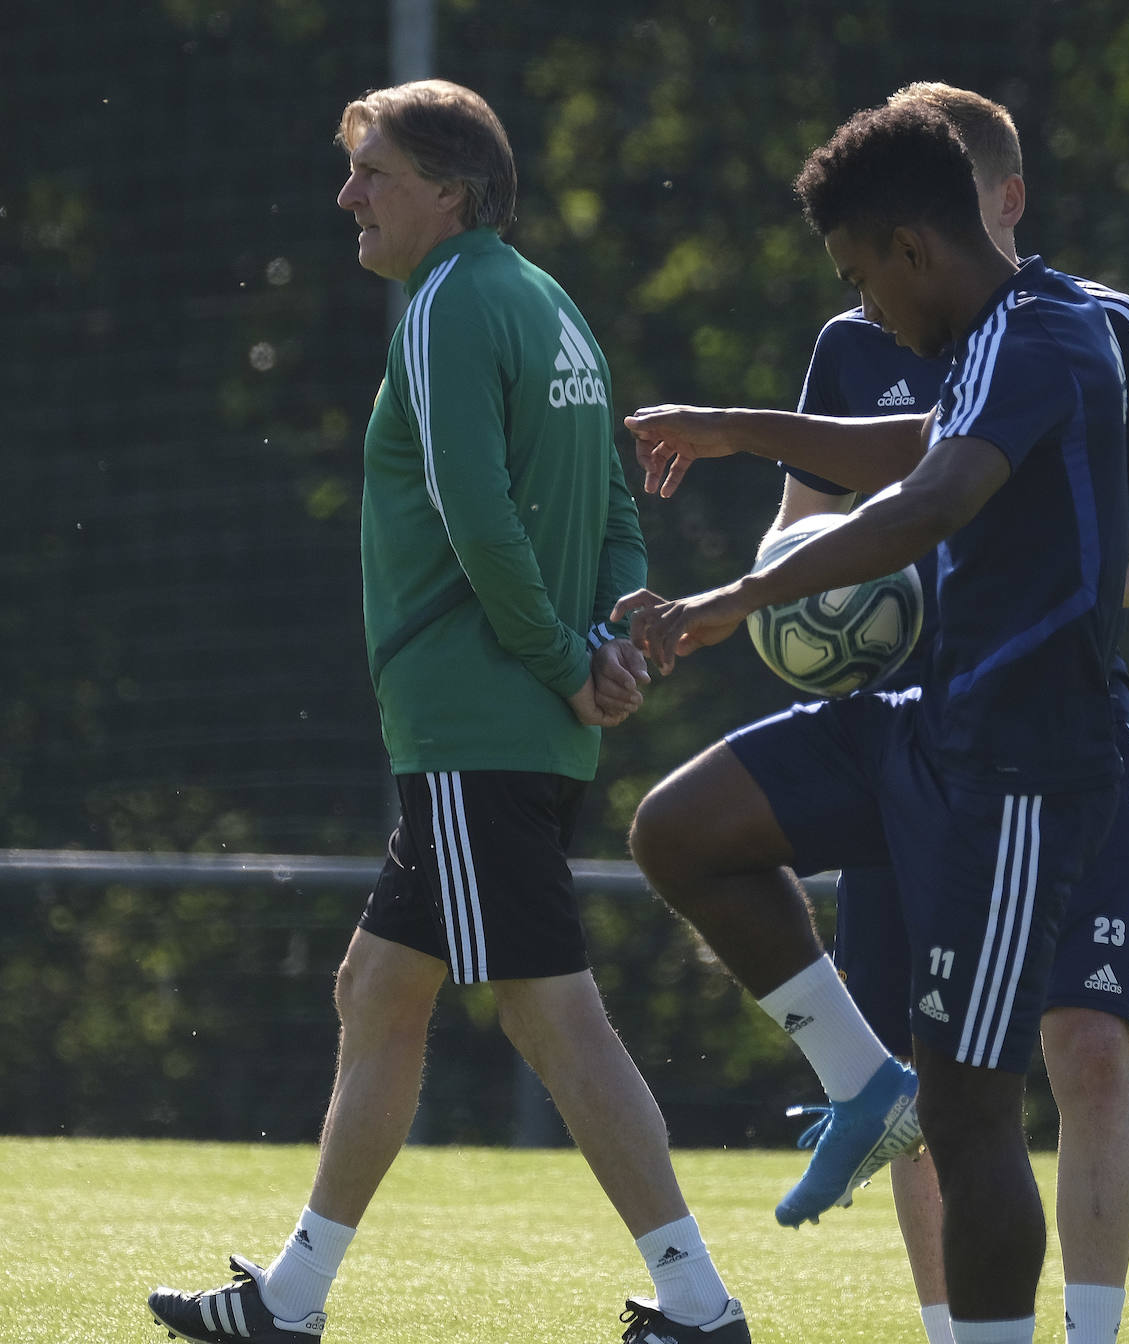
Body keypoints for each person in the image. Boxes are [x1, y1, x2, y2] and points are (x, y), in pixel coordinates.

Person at [146, 80, 749, 1344]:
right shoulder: (549, 302)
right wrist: (608, 640)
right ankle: (292, 1299)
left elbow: (478, 513)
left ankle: (699, 1306)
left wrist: (561, 655)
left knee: (550, 1013)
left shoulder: (444, 304)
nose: (347, 196)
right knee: (378, 987)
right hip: (511, 717)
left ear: (451, 193)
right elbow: (617, 511)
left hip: (483, 721)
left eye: (372, 171)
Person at [613, 99, 1129, 1344]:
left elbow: (929, 497)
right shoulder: (990, 339)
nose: (864, 311)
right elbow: (908, 441)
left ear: (913, 246)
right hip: (926, 728)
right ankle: (861, 1082)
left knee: (973, 1116)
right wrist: (737, 430)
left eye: (860, 277)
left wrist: (739, 597)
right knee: (680, 830)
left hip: (1023, 767)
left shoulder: (1058, 330)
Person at [768, 83, 1129, 1344]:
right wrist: (811, 600)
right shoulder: (857, 335)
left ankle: (1089, 1333)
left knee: (1084, 1046)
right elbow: (802, 532)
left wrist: (1068, 599)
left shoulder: (1096, 326)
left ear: (1004, 201)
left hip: (1057, 743)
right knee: (931, 1077)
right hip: (913, 746)